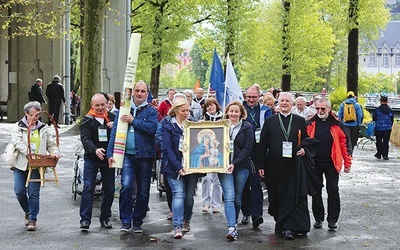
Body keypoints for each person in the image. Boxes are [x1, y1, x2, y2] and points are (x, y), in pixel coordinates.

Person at [107, 80, 158, 233]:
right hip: (126, 154)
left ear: (147, 94)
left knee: (143, 190)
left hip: (145, 155)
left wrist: (133, 121)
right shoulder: (123, 109)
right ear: (133, 92)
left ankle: (137, 220)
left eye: (143, 91)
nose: (140, 94)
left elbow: (152, 129)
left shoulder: (152, 111)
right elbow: (114, 132)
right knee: (126, 186)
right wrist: (110, 153)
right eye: (137, 90)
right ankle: (125, 220)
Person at [256, 92, 309, 240]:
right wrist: (260, 165)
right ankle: (280, 221)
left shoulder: (299, 120)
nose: (284, 103)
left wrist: (304, 148)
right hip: (273, 165)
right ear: (278, 103)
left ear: (292, 104)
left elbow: (306, 140)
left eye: (287, 101)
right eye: (282, 101)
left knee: (290, 196)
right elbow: (263, 145)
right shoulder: (270, 121)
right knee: (275, 196)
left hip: (292, 165)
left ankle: (288, 227)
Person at [11, 101, 60, 231]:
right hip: (21, 164)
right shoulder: (18, 126)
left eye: (37, 115)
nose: (35, 118)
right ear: (26, 114)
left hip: (37, 165)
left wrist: (55, 152)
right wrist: (29, 153)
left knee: (33, 193)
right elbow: (17, 142)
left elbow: (51, 144)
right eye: (32, 115)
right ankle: (27, 210)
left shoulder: (43, 128)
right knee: (19, 191)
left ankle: (33, 219)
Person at [306, 97, 352, 231]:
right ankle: (318, 218)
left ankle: (332, 219)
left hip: (332, 162)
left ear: (329, 109)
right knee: (316, 191)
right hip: (314, 162)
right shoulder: (310, 123)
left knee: (332, 190)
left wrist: (347, 163)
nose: (320, 111)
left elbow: (345, 145)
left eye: (323, 109)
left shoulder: (337, 124)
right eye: (318, 108)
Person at [218, 100, 255, 240]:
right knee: (229, 196)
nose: (233, 114)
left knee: (238, 198)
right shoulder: (221, 126)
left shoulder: (247, 127)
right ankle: (232, 227)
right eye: (231, 111)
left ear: (241, 113)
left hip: (241, 167)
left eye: (236, 111)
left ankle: (234, 221)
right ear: (227, 112)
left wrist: (235, 162)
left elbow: (248, 148)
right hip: (224, 167)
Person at [79, 93, 116, 230]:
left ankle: (105, 217)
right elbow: (85, 139)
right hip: (92, 158)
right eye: (97, 105)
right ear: (92, 106)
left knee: (110, 189)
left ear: (107, 104)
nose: (100, 108)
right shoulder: (87, 120)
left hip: (108, 158)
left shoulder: (113, 118)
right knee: (88, 187)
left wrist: (115, 128)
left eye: (102, 105)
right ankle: (85, 219)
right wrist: (95, 150)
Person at [161, 98, 191, 238]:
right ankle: (177, 226)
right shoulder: (168, 127)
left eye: (187, 110)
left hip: (191, 167)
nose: (186, 113)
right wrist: (178, 167)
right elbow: (167, 149)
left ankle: (187, 220)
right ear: (176, 111)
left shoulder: (191, 126)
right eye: (183, 111)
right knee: (178, 194)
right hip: (173, 168)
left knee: (189, 196)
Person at [241, 85, 269, 228]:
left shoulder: (266, 111)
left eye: (254, 97)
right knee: (244, 184)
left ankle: (256, 215)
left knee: (256, 183)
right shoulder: (239, 109)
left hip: (258, 151)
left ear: (259, 97)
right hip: (242, 152)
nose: (251, 100)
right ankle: (245, 211)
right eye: (249, 97)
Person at [200, 98, 223, 214]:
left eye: (211, 105)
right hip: (206, 152)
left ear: (216, 105)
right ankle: (206, 202)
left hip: (219, 152)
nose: (209, 107)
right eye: (207, 106)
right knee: (206, 178)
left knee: (217, 179)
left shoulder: (224, 119)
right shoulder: (203, 119)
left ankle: (216, 204)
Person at [372, 95, 394, 160]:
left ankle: (379, 153)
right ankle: (385, 155)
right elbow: (392, 119)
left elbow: (374, 118)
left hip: (378, 128)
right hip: (387, 128)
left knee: (378, 141)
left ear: (380, 101)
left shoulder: (377, 110)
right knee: (385, 142)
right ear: (387, 101)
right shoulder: (390, 110)